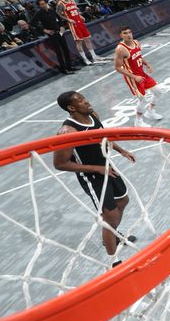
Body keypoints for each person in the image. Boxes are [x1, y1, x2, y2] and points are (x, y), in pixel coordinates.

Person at [52, 91, 137, 267]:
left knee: (123, 201)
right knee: (109, 215)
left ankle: (112, 235)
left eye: (84, 97)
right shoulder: (67, 131)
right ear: (71, 107)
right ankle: (113, 261)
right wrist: (96, 169)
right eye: (81, 100)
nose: (86, 101)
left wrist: (122, 151)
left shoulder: (92, 115)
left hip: (107, 168)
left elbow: (104, 139)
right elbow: (60, 164)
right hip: (91, 176)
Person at [114, 26, 162, 127]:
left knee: (158, 91)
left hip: (142, 73)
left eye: (129, 32)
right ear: (121, 35)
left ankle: (150, 111)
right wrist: (134, 77)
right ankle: (138, 121)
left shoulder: (136, 42)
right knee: (142, 99)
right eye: (125, 33)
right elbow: (118, 68)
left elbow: (139, 56)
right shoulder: (120, 49)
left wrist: (147, 64)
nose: (128, 35)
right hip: (132, 77)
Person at [56, 0, 106, 65]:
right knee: (79, 42)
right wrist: (68, 19)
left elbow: (76, 9)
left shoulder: (72, 0)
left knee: (87, 39)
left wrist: (80, 15)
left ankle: (94, 56)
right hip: (73, 24)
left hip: (80, 21)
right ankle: (85, 59)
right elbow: (58, 13)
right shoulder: (60, 3)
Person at [31, 0, 78, 75]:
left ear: (46, 3)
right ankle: (64, 69)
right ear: (39, 6)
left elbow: (59, 19)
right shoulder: (38, 13)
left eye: (44, 3)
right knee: (59, 52)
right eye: (41, 4)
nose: (43, 5)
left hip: (60, 32)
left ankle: (70, 66)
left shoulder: (52, 11)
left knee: (65, 49)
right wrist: (44, 30)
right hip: (52, 35)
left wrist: (62, 27)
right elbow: (32, 23)